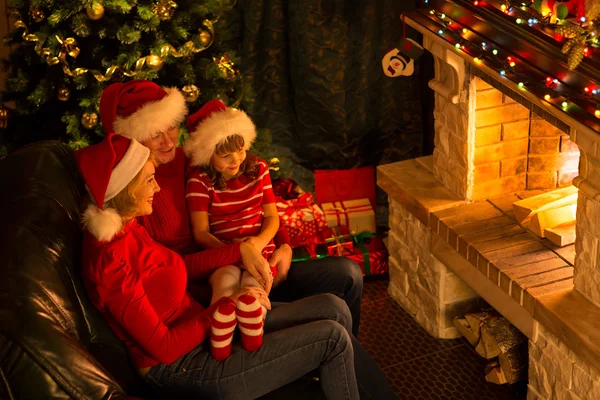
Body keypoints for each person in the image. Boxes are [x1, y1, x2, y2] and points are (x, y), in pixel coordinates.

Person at [76, 133, 398, 399]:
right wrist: (227, 303)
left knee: (334, 307)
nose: (157, 188)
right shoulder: (109, 260)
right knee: (332, 337)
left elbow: (179, 268)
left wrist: (240, 250)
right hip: (183, 364)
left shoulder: (130, 226)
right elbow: (163, 346)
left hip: (210, 325)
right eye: (149, 180)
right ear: (123, 189)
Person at [99, 80, 364, 337]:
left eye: (171, 128)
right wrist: (238, 256)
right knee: (332, 312)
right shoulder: (135, 195)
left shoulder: (191, 160)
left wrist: (282, 246)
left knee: (348, 273)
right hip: (208, 292)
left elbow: (255, 202)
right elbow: (167, 271)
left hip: (253, 261)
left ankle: (339, 367)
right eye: (155, 134)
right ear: (132, 138)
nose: (168, 141)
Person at [183, 100, 280, 311]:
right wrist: (234, 252)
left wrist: (258, 244)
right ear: (208, 154)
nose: (235, 159)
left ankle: (253, 331)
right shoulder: (199, 181)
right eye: (225, 155)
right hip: (222, 255)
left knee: (255, 288)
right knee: (224, 283)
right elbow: (201, 233)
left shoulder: (259, 169)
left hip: (260, 252)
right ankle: (220, 330)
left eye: (240, 150)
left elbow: (272, 216)